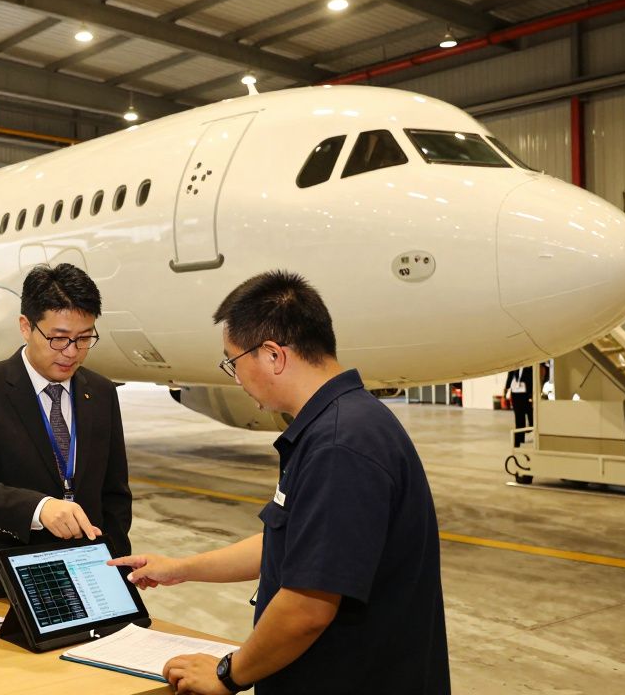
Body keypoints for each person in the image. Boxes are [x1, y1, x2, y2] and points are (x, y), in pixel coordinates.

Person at [110, 270, 449, 695]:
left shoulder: (339, 446)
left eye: (234, 362)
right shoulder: (342, 423)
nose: (236, 378)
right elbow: (293, 543)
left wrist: (227, 674)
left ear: (272, 355)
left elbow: (307, 608)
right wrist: (181, 569)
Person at [0, 263, 132, 602]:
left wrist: (116, 570)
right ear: (25, 327)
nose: (72, 352)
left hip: (87, 579)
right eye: (59, 338)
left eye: (85, 337)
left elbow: (114, 495)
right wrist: (39, 508)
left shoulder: (102, 393)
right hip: (2, 580)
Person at [505, 364, 534, 448]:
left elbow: (531, 380)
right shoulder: (513, 366)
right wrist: (506, 388)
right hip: (515, 394)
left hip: (525, 394)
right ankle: (518, 441)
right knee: (518, 419)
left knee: (531, 417)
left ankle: (530, 436)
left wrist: (531, 395)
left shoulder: (529, 366)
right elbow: (510, 376)